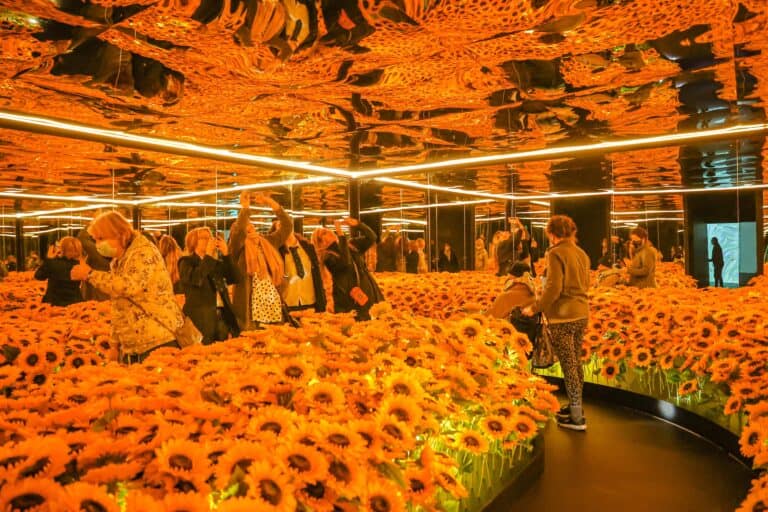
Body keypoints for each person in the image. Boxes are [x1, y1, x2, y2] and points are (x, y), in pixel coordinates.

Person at [70, 211, 183, 364]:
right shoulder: (120, 260)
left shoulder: (143, 253)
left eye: (101, 239)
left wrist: (90, 274)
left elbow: (127, 286)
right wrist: (114, 344)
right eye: (95, 240)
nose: (97, 245)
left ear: (120, 234)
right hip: (136, 344)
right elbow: (119, 304)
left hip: (158, 340)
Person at [523, 215, 590, 431]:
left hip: (563, 316)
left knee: (568, 366)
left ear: (552, 234)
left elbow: (553, 288)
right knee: (575, 363)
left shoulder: (555, 253)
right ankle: (575, 406)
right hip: (581, 313)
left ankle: (577, 418)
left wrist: (535, 308)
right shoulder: (581, 253)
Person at [229, 192, 292, 330]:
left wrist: (271, 203)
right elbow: (239, 231)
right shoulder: (238, 247)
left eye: (250, 225)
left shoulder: (268, 242)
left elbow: (287, 226)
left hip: (272, 304)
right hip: (249, 308)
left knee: (274, 338)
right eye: (246, 226)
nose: (249, 226)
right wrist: (245, 208)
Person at [179, 227, 241, 345]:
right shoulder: (185, 262)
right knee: (203, 352)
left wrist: (226, 255)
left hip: (222, 315)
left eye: (210, 237)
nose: (209, 240)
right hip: (200, 319)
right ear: (193, 242)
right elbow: (197, 279)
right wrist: (208, 255)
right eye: (204, 238)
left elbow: (235, 278)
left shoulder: (213, 263)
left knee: (222, 351)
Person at [314, 218, 383, 321]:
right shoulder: (328, 257)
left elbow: (372, 238)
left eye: (328, 230)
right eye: (324, 233)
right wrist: (341, 235)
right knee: (359, 326)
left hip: (368, 290)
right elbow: (345, 262)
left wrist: (358, 225)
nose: (329, 231)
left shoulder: (350, 245)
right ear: (321, 242)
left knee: (378, 321)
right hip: (349, 299)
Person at [276, 224, 327, 313]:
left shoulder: (308, 247)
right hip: (288, 303)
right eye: (279, 227)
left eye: (283, 223)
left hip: (310, 302)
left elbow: (317, 275)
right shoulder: (277, 251)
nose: (283, 227)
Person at [486, 262, 538, 344]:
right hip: (527, 340)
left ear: (513, 276)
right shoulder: (533, 295)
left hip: (507, 339)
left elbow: (491, 316)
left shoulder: (506, 296)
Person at [34, 237, 85, 307]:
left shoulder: (53, 263)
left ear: (62, 249)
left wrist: (48, 260)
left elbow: (38, 276)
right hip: (75, 302)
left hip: (54, 303)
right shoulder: (81, 264)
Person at [77, 229, 112, 301]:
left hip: (99, 292)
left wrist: (94, 226)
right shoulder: (111, 255)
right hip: (99, 290)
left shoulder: (100, 254)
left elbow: (82, 238)